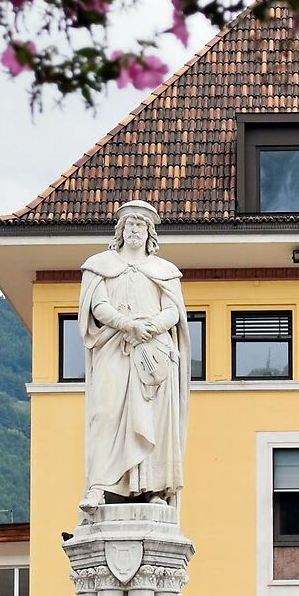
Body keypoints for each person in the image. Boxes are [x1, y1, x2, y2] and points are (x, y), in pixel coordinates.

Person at [78, 200, 188, 510]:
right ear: (121, 231)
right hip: (114, 348)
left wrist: (150, 327)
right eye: (130, 225)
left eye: (141, 225)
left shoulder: (164, 271)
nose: (135, 230)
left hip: (153, 356)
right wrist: (128, 325)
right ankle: (99, 487)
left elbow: (173, 311)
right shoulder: (100, 265)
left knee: (153, 421)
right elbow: (98, 307)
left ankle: (151, 487)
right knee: (106, 413)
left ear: (150, 233)